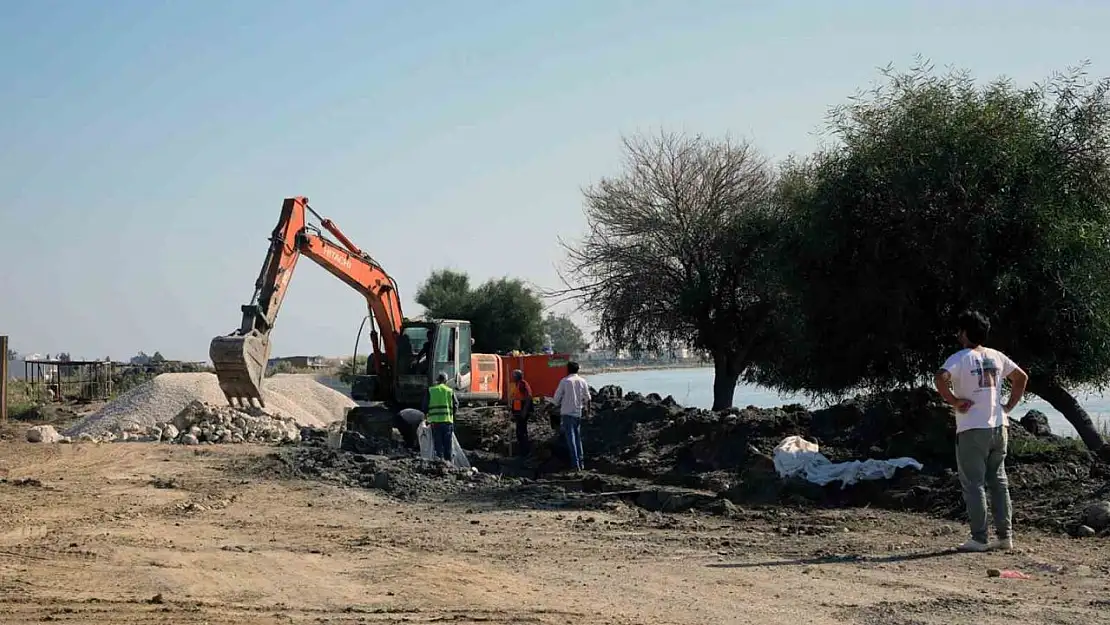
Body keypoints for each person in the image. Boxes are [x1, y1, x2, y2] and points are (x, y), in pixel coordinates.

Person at [934, 310, 1028, 553]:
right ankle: (1005, 536)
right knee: (999, 481)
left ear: (964, 333)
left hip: (972, 427)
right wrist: (1007, 406)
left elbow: (940, 378)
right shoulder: (996, 356)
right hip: (999, 425)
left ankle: (979, 537)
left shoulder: (960, 357)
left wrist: (954, 401)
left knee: (973, 483)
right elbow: (1021, 378)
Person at [552, 361, 590, 472]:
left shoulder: (565, 381)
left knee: (571, 439)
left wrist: (548, 407)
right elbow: (588, 398)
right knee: (578, 438)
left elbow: (556, 399)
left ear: (567, 370)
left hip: (567, 413)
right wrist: (588, 412)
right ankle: (581, 463)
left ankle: (575, 464)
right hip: (578, 413)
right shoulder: (582, 381)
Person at [422, 372, 459, 462]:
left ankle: (439, 463)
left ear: (437, 380)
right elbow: (456, 405)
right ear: (446, 380)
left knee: (438, 445)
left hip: (435, 422)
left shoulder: (431, 390)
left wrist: (427, 416)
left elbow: (424, 406)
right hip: (447, 422)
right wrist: (451, 414)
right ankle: (449, 464)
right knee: (448, 445)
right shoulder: (450, 391)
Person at [509, 369, 534, 456]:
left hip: (522, 411)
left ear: (517, 376)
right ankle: (522, 450)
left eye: (513, 375)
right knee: (519, 431)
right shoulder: (516, 384)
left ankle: (524, 451)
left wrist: (524, 411)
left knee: (521, 431)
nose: (512, 376)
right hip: (518, 411)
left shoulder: (523, 384)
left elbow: (529, 397)